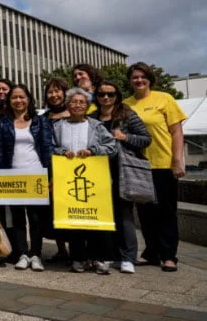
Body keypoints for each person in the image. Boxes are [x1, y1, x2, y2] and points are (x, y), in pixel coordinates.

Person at [124, 62, 186, 272]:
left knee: (166, 211)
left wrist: (177, 159)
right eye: (134, 78)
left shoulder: (164, 99)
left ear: (149, 78)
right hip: (138, 165)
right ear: (130, 81)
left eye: (142, 77)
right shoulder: (126, 104)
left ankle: (169, 255)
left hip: (163, 163)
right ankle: (151, 251)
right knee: (145, 212)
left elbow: (176, 131)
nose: (139, 80)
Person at [53, 88, 118, 274]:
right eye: (74, 101)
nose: (78, 105)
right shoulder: (58, 126)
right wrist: (61, 152)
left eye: (82, 102)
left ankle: (100, 258)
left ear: (88, 106)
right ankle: (78, 257)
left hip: (94, 179)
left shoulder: (96, 125)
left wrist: (93, 150)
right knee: (74, 219)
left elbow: (112, 146)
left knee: (96, 219)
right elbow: (50, 146)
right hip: (67, 179)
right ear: (67, 104)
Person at [91, 80, 151, 274]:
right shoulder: (92, 117)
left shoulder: (127, 115)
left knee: (124, 215)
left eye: (110, 94)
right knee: (103, 214)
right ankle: (108, 254)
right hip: (98, 171)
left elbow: (146, 139)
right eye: (101, 94)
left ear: (117, 96)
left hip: (121, 170)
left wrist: (125, 138)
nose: (106, 98)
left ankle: (128, 257)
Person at [0, 84, 52, 271]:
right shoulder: (3, 122)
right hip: (11, 176)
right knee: (17, 218)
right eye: (14, 98)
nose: (18, 101)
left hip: (35, 175)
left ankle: (36, 254)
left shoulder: (40, 121)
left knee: (36, 218)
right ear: (9, 101)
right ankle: (22, 254)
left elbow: (47, 148)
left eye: (22, 97)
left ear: (29, 99)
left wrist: (50, 175)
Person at [42, 77, 71, 263]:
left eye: (57, 91)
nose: (54, 95)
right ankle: (61, 249)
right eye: (50, 92)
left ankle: (79, 248)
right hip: (49, 169)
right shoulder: (43, 118)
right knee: (54, 209)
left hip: (71, 166)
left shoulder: (76, 113)